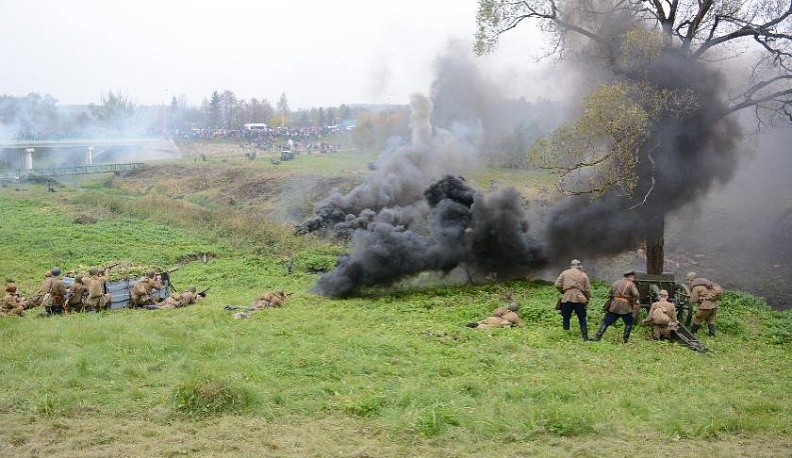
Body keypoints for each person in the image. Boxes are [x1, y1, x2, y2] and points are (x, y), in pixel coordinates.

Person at [592, 271, 641, 343]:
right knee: (629, 323)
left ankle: (597, 337)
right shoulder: (631, 284)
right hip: (625, 307)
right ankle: (625, 340)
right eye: (633, 277)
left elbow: (609, 294)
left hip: (614, 306)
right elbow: (636, 294)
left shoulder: (615, 282)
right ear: (630, 277)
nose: (633, 279)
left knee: (606, 322)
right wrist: (633, 301)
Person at [554, 259, 592, 340]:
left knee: (566, 317)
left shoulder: (565, 273)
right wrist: (587, 299)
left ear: (571, 266)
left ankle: (566, 335)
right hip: (580, 298)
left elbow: (557, 284)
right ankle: (585, 338)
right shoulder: (583, 275)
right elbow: (587, 289)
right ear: (579, 266)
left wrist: (564, 291)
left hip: (566, 298)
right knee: (582, 318)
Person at [686, 272, 721, 336]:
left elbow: (693, 300)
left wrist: (689, 302)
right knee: (710, 319)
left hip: (706, 306)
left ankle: (692, 333)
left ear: (691, 280)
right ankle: (712, 334)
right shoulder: (705, 283)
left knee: (698, 318)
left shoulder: (696, 287)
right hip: (714, 304)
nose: (687, 282)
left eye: (688, 280)